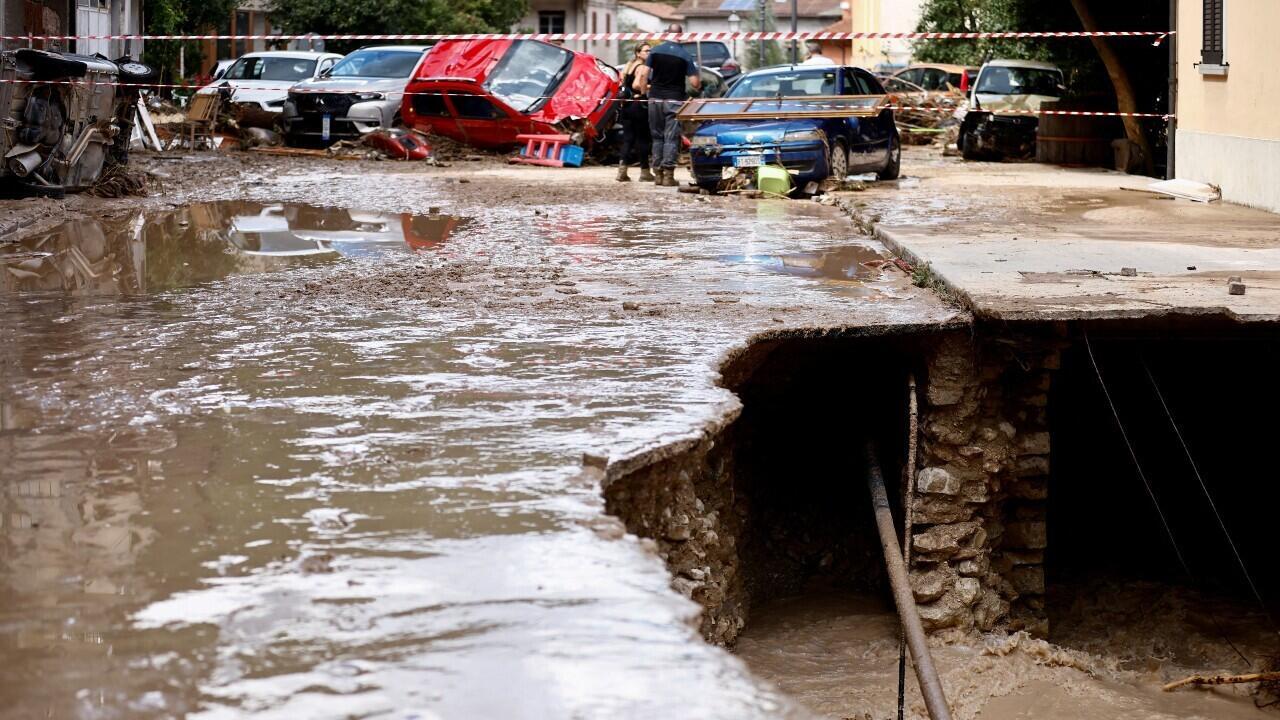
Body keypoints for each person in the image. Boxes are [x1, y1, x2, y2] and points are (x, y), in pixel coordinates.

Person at [636, 24, 700, 187]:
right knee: (671, 137)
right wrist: (698, 84)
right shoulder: (685, 55)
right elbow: (695, 82)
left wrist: (645, 94)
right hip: (674, 100)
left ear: (667, 34)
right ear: (681, 35)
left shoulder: (655, 51)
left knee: (657, 136)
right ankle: (668, 176)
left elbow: (644, 74)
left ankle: (657, 174)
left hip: (655, 99)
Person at [617, 43, 655, 183]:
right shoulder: (642, 67)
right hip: (638, 105)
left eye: (650, 50)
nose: (649, 53)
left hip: (627, 106)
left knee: (628, 139)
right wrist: (652, 85)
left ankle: (622, 171)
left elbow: (624, 83)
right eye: (646, 51)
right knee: (643, 139)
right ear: (638, 53)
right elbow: (637, 85)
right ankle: (645, 172)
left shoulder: (629, 65)